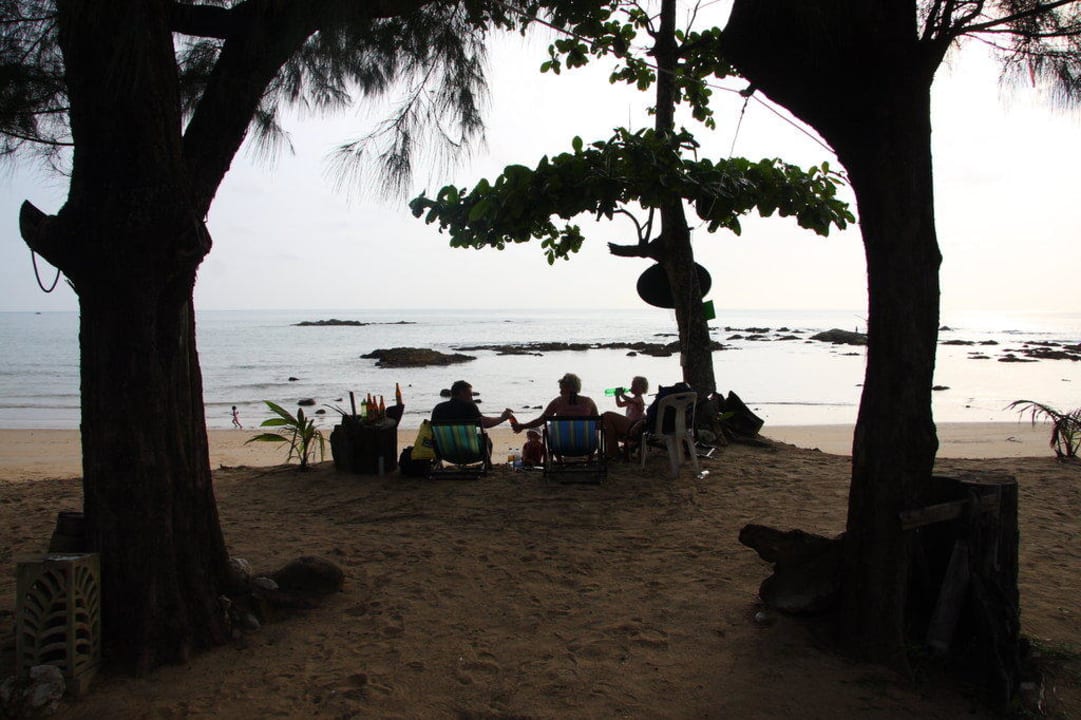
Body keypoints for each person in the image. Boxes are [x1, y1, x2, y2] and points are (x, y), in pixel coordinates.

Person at [511, 373, 599, 433]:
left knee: (549, 428)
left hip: (560, 446)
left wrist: (522, 426)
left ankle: (558, 457)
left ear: (567, 388)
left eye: (561, 389)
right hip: (587, 445)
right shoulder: (589, 402)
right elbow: (598, 424)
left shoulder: (557, 402)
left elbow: (540, 421)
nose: (560, 392)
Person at [431, 380, 514, 428]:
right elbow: (484, 423)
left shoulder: (438, 408)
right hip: (468, 448)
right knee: (487, 441)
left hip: (443, 448)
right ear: (461, 393)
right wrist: (502, 418)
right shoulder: (469, 407)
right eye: (470, 394)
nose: (472, 398)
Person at [601, 376, 648, 459]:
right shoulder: (631, 399)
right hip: (629, 424)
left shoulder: (639, 399)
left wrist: (622, 394)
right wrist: (617, 396)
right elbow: (619, 404)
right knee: (607, 422)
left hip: (634, 425)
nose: (632, 387)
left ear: (642, 389)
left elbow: (631, 400)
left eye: (634, 385)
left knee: (607, 415)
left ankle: (614, 453)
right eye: (632, 385)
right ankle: (613, 452)